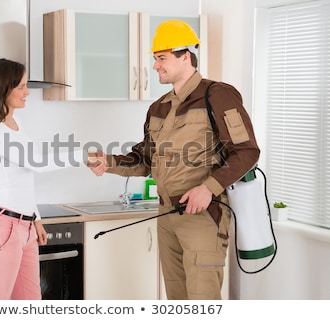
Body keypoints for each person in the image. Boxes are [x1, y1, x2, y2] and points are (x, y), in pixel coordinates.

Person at [88, 20, 260, 300]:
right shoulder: (159, 107)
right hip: (166, 215)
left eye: (162, 58)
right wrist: (108, 161)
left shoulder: (217, 95)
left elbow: (247, 151)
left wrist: (208, 188)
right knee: (177, 302)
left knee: (202, 301)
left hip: (203, 217)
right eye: (155, 59)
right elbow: (145, 159)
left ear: (185, 56)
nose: (155, 66)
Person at [0, 58, 82, 300]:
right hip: (2, 226)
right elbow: (36, 162)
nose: (27, 92)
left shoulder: (15, 122)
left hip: (25, 225)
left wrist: (35, 218)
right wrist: (84, 155)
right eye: (21, 86)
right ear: (3, 88)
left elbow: (24, 176)